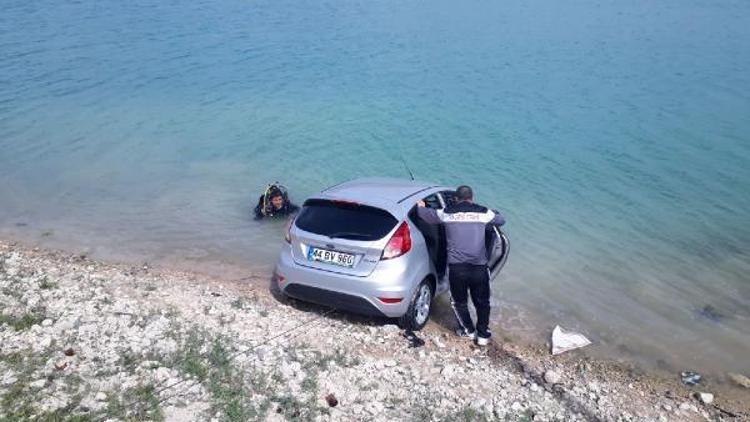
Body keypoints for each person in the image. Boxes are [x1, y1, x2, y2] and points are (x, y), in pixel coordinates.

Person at [416, 185, 505, 346]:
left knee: (459, 302)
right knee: (483, 302)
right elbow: (501, 220)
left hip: (457, 268)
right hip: (479, 267)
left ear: (456, 198)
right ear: (472, 198)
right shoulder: (483, 213)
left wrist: (421, 206)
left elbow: (426, 216)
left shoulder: (448, 213)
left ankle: (468, 330)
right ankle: (483, 334)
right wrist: (493, 212)